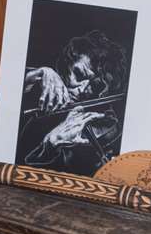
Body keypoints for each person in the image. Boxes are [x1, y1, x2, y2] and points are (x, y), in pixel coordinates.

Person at [20, 30, 130, 174]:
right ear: (67, 64)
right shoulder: (39, 83)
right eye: (78, 74)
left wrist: (49, 147)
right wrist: (33, 75)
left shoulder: (99, 125)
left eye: (95, 86)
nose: (82, 90)